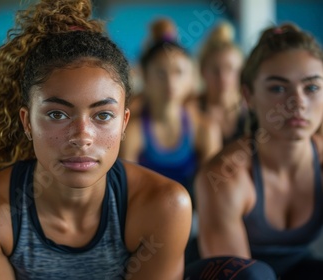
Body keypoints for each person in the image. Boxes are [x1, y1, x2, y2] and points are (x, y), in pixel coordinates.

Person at [0, 1, 192, 279]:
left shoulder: (164, 206)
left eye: (102, 115)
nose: (81, 136)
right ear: (26, 122)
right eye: (57, 114)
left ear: (124, 122)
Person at [194, 23, 323, 279]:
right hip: (230, 275)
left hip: (298, 269)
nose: (297, 102)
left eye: (311, 88)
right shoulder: (225, 175)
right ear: (248, 96)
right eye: (278, 88)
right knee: (253, 275)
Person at [120, 18, 221, 198]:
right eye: (160, 73)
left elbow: (213, 193)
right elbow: (127, 193)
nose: (170, 82)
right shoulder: (133, 132)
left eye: (178, 72)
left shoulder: (205, 129)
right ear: (145, 76)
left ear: (191, 77)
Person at [196, 22, 246, 145]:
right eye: (215, 70)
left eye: (229, 69)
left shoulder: (253, 110)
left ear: (241, 72)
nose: (222, 77)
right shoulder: (191, 108)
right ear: (202, 71)